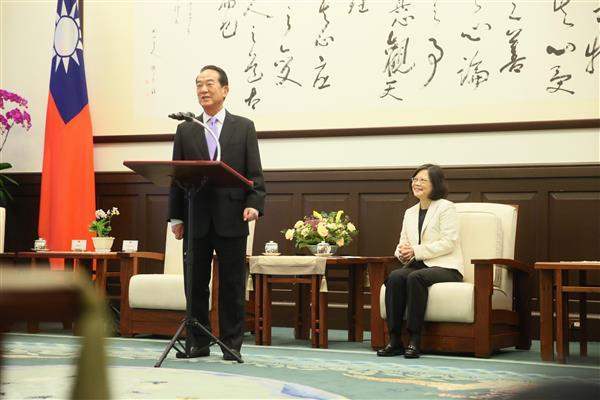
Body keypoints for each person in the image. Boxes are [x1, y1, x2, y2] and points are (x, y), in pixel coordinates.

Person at [168, 65, 266, 362]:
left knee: (232, 285)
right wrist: (176, 217)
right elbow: (177, 175)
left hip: (232, 216)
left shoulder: (243, 127)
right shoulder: (186, 129)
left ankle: (230, 344)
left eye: (209, 83)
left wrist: (254, 203)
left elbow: (255, 175)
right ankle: (197, 342)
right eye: (198, 84)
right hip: (195, 216)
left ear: (225, 89)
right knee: (195, 284)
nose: (203, 89)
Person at [377, 164, 463, 359]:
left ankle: (415, 339)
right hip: (419, 264)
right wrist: (402, 253)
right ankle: (394, 340)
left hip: (446, 266)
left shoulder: (446, 207)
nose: (416, 183)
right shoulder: (410, 212)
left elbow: (449, 242)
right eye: (414, 179)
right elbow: (403, 242)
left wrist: (415, 251)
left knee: (415, 278)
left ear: (436, 184)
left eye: (422, 180)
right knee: (395, 277)